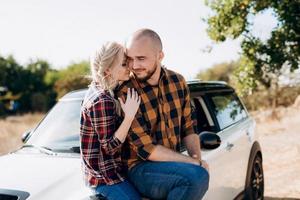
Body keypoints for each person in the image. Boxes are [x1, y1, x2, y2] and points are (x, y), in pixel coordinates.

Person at [116, 29, 210, 200]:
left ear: (160, 56)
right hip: (140, 167)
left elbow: (189, 127)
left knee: (198, 174)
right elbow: (147, 149)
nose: (134, 66)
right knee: (194, 178)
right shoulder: (126, 91)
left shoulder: (178, 82)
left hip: (172, 165)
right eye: (130, 59)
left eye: (141, 58)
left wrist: (197, 158)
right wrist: (194, 164)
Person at [80, 41, 141, 200]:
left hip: (100, 174)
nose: (129, 66)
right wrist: (129, 117)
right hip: (105, 178)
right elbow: (109, 147)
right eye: (123, 64)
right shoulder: (102, 100)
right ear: (108, 70)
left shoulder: (96, 89)